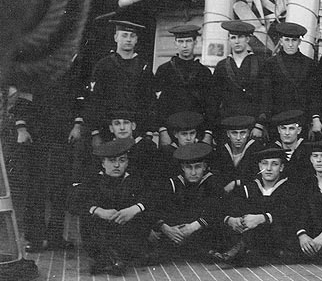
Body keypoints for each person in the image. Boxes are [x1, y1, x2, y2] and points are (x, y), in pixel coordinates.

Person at [11, 54, 86, 253]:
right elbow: (23, 99)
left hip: (63, 135)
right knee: (36, 188)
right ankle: (35, 239)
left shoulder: (71, 66)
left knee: (60, 187)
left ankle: (55, 238)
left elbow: (79, 98)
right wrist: (21, 128)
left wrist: (77, 125)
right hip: (36, 136)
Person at [71, 138, 152, 276]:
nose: (117, 165)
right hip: (101, 236)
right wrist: (98, 210)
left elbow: (152, 200)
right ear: (103, 163)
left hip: (127, 235)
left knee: (142, 212)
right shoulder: (93, 181)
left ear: (127, 162)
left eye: (122, 160)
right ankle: (111, 259)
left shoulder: (135, 181)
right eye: (112, 161)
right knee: (89, 213)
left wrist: (134, 209)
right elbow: (72, 202)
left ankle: (109, 261)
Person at [211, 146, 293, 265]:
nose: (268, 168)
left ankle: (237, 252)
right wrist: (233, 220)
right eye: (264, 163)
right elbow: (233, 208)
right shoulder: (249, 188)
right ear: (259, 166)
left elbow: (290, 214)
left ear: (281, 167)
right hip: (251, 233)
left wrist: (262, 218)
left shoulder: (290, 188)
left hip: (277, 236)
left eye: (274, 164)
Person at [86, 19, 155, 146]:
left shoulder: (143, 66)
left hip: (135, 129)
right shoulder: (104, 65)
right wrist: (95, 132)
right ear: (116, 38)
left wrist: (148, 132)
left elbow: (149, 100)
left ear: (136, 40)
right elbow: (94, 100)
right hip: (108, 129)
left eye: (132, 36)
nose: (128, 39)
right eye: (124, 35)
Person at [149, 142, 223, 261]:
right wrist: (166, 229)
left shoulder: (212, 182)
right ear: (183, 167)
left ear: (204, 166)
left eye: (198, 167)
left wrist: (193, 227)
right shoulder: (173, 183)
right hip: (175, 231)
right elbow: (155, 207)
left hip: (198, 230)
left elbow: (217, 210)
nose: (193, 173)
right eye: (189, 167)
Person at [153, 24, 217, 145]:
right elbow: (158, 104)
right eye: (181, 41)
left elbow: (211, 105)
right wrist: (162, 130)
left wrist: (208, 133)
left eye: (188, 41)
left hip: (196, 132)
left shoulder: (204, 72)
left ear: (195, 42)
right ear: (175, 43)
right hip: (171, 132)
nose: (184, 46)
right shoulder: (164, 70)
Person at [260, 22, 322, 139]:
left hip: (301, 120)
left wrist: (315, 119)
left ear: (299, 42)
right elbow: (266, 95)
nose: (290, 44)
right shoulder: (270, 64)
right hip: (277, 121)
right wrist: (262, 123)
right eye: (287, 40)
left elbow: (314, 94)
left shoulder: (310, 64)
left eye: (294, 40)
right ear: (281, 41)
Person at [212, 20, 267, 141]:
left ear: (247, 39)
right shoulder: (222, 66)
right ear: (229, 40)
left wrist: (259, 125)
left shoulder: (260, 63)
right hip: (228, 125)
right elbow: (215, 100)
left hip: (253, 126)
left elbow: (266, 96)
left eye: (240, 37)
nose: (237, 41)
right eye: (233, 37)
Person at [102, 109, 165, 186]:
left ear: (133, 126)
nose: (122, 128)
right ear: (111, 128)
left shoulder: (147, 147)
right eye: (117, 124)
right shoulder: (106, 149)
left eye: (126, 123)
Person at [210, 115, 264, 193]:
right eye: (234, 133)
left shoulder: (255, 150)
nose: (238, 138)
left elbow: (258, 176)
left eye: (243, 133)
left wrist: (236, 183)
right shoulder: (221, 151)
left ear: (248, 133)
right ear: (228, 134)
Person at [269, 109, 314, 181]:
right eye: (283, 128)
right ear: (278, 130)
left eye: (291, 128)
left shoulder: (307, 151)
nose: (287, 133)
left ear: (299, 130)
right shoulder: (271, 151)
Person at [160, 111, 207, 177]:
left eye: (192, 133)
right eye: (184, 134)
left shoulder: (203, 150)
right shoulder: (167, 153)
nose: (189, 138)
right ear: (175, 134)